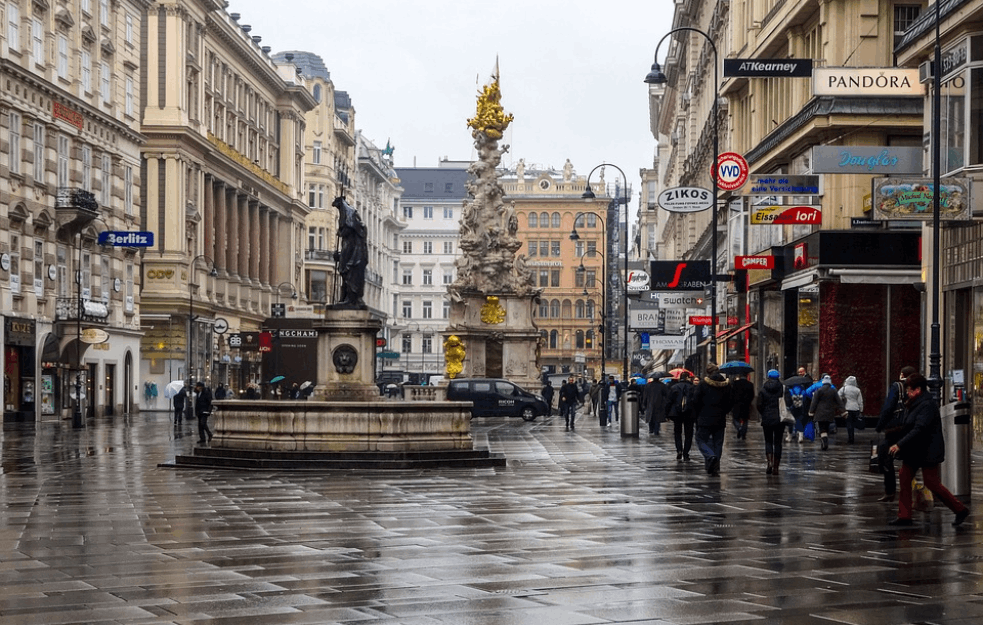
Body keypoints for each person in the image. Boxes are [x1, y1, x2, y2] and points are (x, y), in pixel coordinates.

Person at [888, 373, 970, 527]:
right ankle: (904, 516)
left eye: (910, 389)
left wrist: (899, 444)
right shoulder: (915, 402)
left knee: (932, 483)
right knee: (905, 476)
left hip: (927, 451)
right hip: (915, 451)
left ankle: (960, 509)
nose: (907, 392)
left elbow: (919, 428)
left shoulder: (927, 405)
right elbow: (910, 426)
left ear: (918, 390)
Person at [875, 365, 917, 502]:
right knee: (910, 462)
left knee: (886, 457)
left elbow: (888, 408)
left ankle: (890, 491)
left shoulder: (897, 387)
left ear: (902, 375)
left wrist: (880, 426)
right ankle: (911, 492)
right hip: (911, 430)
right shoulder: (918, 389)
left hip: (895, 430)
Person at [691, 363, 734, 476]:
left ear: (708, 372)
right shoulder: (726, 385)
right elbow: (730, 402)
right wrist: (724, 411)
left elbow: (696, 400)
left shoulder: (703, 384)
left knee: (700, 440)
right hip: (720, 418)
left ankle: (710, 456)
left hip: (704, 418)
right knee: (718, 443)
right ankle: (714, 467)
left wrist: (698, 414)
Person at [331, 196, 369, 308]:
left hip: (355, 262)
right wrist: (339, 256)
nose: (340, 233)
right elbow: (346, 253)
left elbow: (352, 255)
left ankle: (351, 299)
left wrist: (344, 258)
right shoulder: (349, 240)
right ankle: (345, 298)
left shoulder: (356, 239)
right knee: (346, 279)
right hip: (352, 260)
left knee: (351, 279)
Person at [756, 369, 786, 475]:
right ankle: (776, 467)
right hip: (780, 419)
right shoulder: (782, 388)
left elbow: (758, 404)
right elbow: (788, 402)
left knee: (768, 441)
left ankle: (769, 463)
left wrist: (763, 413)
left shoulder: (763, 389)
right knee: (778, 442)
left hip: (767, 419)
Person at [809, 375, 845, 451]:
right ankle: (825, 441)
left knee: (822, 428)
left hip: (820, 413)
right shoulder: (833, 390)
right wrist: (843, 411)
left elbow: (814, 402)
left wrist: (811, 412)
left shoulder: (819, 390)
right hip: (830, 412)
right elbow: (839, 402)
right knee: (827, 427)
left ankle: (824, 442)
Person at [667, 371, 696, 461]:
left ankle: (679, 450)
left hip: (677, 413)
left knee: (677, 432)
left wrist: (667, 413)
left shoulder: (674, 387)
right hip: (689, 413)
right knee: (689, 434)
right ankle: (686, 453)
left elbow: (669, 401)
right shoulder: (693, 387)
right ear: (688, 378)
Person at [838, 375, 864, 443]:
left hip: (847, 408)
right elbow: (860, 401)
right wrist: (861, 409)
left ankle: (850, 438)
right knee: (854, 422)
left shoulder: (844, 389)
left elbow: (838, 397)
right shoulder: (857, 390)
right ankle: (852, 436)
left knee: (849, 423)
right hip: (855, 408)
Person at [730, 374, 755, 440]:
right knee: (745, 420)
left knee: (735, 419)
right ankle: (743, 432)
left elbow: (731, 394)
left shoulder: (735, 384)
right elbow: (752, 395)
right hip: (746, 405)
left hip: (736, 404)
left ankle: (739, 428)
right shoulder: (750, 384)